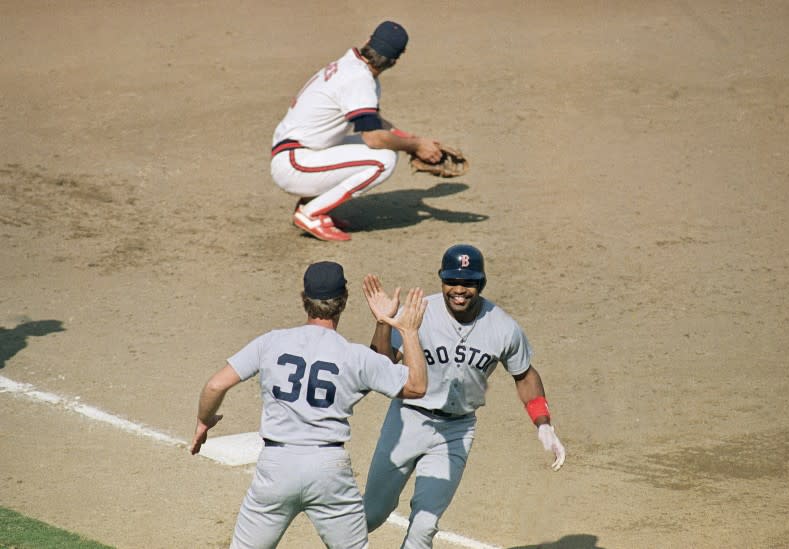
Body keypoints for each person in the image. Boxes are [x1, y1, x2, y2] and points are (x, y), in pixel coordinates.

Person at [189, 261, 428, 549]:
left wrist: (204, 421)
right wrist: (407, 330)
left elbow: (215, 385)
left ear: (304, 298)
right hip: (328, 470)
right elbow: (412, 385)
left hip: (277, 466)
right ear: (343, 302)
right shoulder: (353, 356)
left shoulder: (271, 342)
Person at [362, 244, 567, 548]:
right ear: (442, 280)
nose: (459, 290)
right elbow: (381, 362)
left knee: (424, 526)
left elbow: (524, 374)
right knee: (372, 514)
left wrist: (543, 423)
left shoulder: (503, 327)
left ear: (481, 284)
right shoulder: (419, 312)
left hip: (457, 431)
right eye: (452, 281)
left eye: (468, 283)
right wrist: (383, 322)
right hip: (407, 420)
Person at [269, 20, 444, 242]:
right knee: (384, 159)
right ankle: (310, 213)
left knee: (378, 148)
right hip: (295, 164)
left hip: (300, 153)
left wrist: (413, 141)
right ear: (396, 59)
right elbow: (373, 138)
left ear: (368, 41)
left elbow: (373, 123)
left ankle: (310, 204)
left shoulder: (352, 65)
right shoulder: (359, 79)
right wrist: (416, 146)